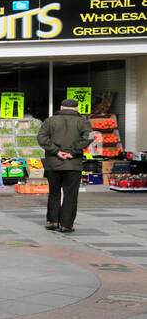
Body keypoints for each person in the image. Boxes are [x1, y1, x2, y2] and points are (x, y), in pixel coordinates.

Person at [38, 97, 95, 232]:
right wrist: (73, 152)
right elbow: (91, 136)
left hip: (53, 162)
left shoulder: (49, 121)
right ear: (76, 109)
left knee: (54, 192)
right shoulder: (83, 122)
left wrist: (56, 151)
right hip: (73, 163)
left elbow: (41, 138)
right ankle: (66, 224)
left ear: (61, 108)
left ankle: (52, 221)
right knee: (70, 194)